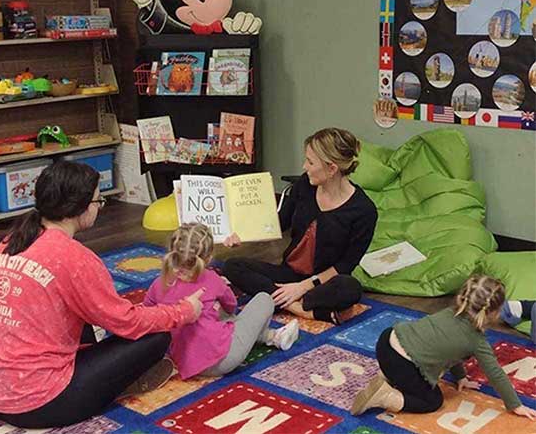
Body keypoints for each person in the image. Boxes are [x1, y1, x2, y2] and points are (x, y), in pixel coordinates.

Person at [0, 161, 204, 428]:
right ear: (79, 207)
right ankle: (117, 384)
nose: (99, 207)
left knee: (78, 309)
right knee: (156, 337)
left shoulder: (11, 240)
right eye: (97, 201)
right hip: (37, 403)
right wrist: (183, 312)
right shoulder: (74, 258)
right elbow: (127, 323)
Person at [222, 128, 378, 324]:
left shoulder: (364, 211)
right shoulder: (305, 184)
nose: (304, 167)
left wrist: (303, 287)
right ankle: (300, 309)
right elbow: (279, 222)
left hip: (322, 281)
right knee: (232, 265)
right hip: (288, 273)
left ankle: (280, 297)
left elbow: (344, 266)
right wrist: (242, 235)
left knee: (350, 288)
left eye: (311, 162)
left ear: (332, 169)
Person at [351, 275, 536, 420]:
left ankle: (389, 375)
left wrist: (461, 377)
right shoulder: (477, 341)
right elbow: (496, 374)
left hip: (386, 341)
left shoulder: (449, 312)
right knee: (432, 401)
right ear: (493, 313)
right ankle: (386, 396)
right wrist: (515, 405)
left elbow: (450, 351)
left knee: (415, 361)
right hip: (402, 363)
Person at [144, 223, 300, 379]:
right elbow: (231, 306)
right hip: (224, 359)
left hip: (183, 361)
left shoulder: (158, 283)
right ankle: (271, 337)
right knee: (264, 299)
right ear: (209, 257)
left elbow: (147, 314)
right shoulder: (211, 278)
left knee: (215, 314)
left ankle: (271, 336)